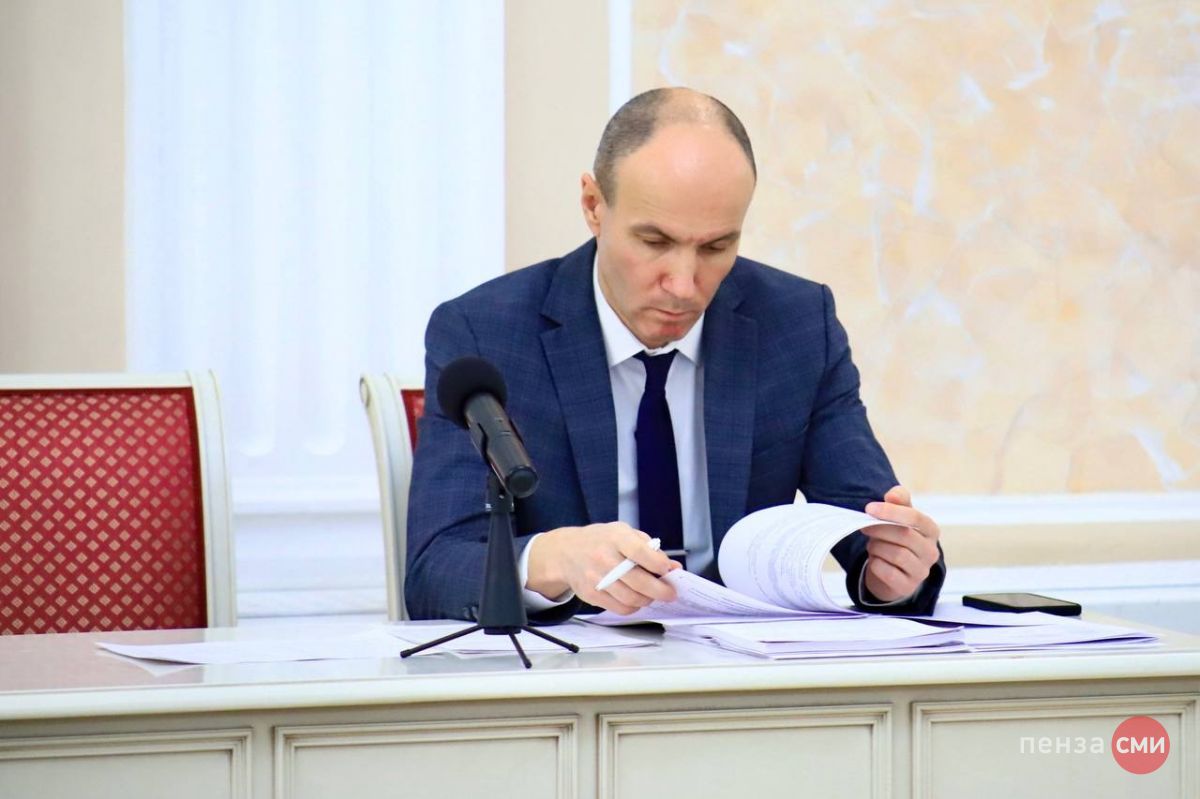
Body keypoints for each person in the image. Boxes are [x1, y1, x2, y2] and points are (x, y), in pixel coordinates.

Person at [406, 87, 945, 622]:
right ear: (593, 206)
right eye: (655, 242)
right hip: (574, 661)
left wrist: (894, 571)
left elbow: (871, 529)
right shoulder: (488, 333)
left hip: (740, 661)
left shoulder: (797, 325)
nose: (684, 285)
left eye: (715, 247)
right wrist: (554, 559)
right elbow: (436, 568)